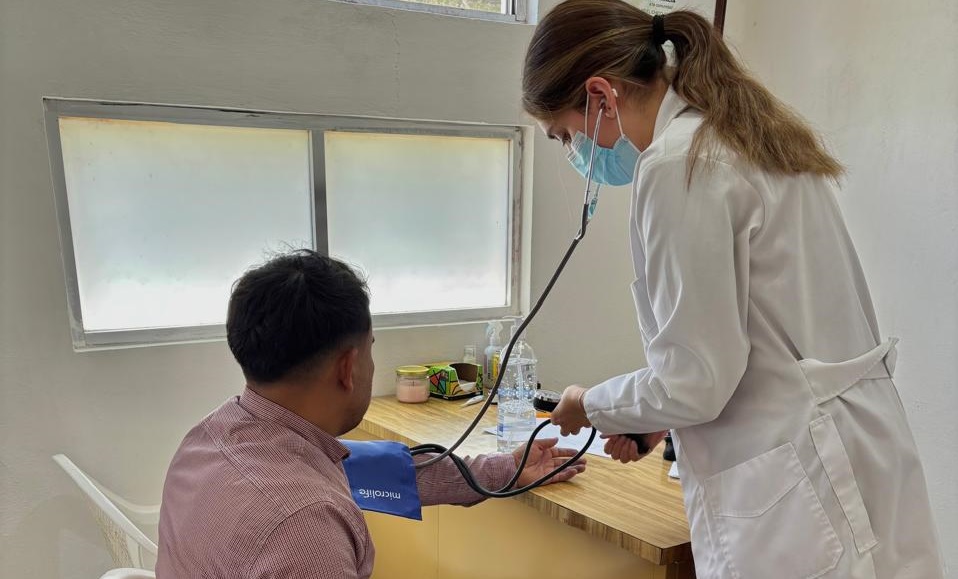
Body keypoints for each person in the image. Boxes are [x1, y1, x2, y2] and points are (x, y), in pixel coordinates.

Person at [526, 1, 944, 577]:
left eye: (563, 136)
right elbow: (756, 339)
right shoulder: (747, 134)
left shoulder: (678, 165)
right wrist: (655, 415)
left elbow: (695, 382)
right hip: (847, 453)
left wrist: (589, 404)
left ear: (600, 96)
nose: (574, 153)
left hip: (801, 487)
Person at [155, 250, 585, 578]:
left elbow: (378, 472)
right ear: (348, 367)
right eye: (371, 350)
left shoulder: (211, 437)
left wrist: (506, 469)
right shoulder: (305, 526)